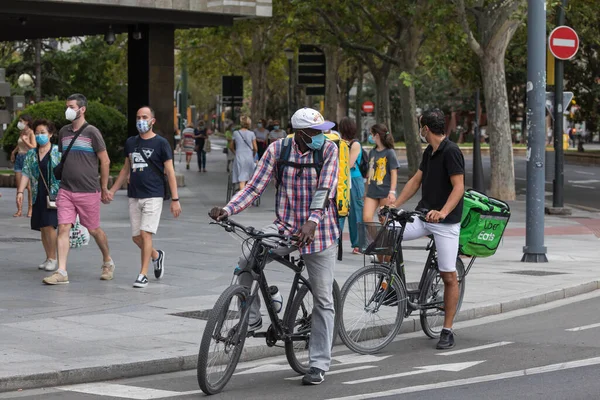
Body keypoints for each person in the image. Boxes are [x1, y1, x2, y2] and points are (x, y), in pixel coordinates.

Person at [210, 107, 339, 386]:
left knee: (324, 300)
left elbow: (325, 190)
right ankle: (252, 316)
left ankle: (318, 363)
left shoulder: (328, 151)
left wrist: (313, 222)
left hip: (319, 232)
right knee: (246, 258)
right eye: (316, 132)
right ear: (300, 133)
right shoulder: (277, 151)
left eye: (322, 131)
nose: (322, 135)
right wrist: (228, 209)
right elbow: (254, 187)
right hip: (284, 227)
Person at [394, 108, 465, 350]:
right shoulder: (430, 151)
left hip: (445, 223)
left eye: (420, 127)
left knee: (448, 275)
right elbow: (415, 180)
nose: (420, 131)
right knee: (389, 231)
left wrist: (443, 212)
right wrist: (394, 205)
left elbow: (459, 188)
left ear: (426, 129)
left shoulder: (451, 151)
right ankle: (389, 284)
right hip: (424, 216)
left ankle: (447, 329)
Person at [42, 93, 115, 285]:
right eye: (67, 106)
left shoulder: (92, 132)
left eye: (72, 106)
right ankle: (62, 272)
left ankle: (107, 261)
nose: (68, 110)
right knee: (64, 227)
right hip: (66, 190)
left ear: (82, 109)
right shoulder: (64, 132)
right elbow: (63, 158)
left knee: (93, 229)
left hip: (88, 190)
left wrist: (104, 187)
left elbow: (105, 160)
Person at [108, 106, 182, 288]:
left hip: (154, 194)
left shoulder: (161, 143)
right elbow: (126, 169)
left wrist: (175, 199)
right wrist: (112, 190)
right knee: (136, 238)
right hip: (134, 195)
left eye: (145, 117)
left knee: (145, 234)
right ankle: (157, 256)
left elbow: (170, 172)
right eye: (138, 117)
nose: (141, 120)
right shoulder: (131, 143)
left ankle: (143, 274)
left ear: (152, 121)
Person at [17, 119, 61, 271]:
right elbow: (26, 173)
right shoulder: (31, 153)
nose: (39, 136)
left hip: (54, 194)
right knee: (42, 227)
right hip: (37, 193)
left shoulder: (57, 151)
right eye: (37, 133)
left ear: (50, 134)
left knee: (49, 225)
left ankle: (54, 258)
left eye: (43, 133)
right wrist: (20, 191)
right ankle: (48, 257)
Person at [338, 117, 364, 255]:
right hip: (342, 180)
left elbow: (349, 164)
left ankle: (358, 244)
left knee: (356, 212)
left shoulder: (355, 144)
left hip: (354, 180)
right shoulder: (338, 143)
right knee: (339, 209)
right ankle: (334, 241)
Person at [363, 123, 399, 223]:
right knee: (367, 219)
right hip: (372, 192)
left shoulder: (390, 152)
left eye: (371, 134)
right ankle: (375, 239)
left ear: (377, 135)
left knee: (385, 220)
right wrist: (366, 190)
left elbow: (394, 173)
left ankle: (386, 239)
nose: (370, 137)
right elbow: (369, 172)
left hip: (385, 192)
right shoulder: (372, 152)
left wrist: (392, 191)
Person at [10, 114, 36, 218]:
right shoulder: (21, 132)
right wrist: (13, 152)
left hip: (27, 158)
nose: (19, 123)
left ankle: (30, 209)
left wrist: (25, 140)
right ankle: (19, 210)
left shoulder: (31, 133)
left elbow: (33, 146)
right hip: (19, 159)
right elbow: (19, 144)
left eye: (21, 121)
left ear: (27, 122)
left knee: (29, 187)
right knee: (19, 187)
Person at [230, 116, 258, 191]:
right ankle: (247, 198)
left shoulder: (236, 133)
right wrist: (253, 155)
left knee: (241, 180)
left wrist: (236, 152)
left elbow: (231, 146)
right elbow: (255, 148)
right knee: (249, 179)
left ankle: (242, 197)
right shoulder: (252, 134)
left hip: (239, 156)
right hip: (249, 157)